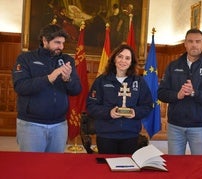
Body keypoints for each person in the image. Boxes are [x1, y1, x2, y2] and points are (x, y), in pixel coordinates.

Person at [12, 24, 82, 153]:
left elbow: (76, 90)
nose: (61, 47)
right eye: (57, 42)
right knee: (32, 167)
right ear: (44, 40)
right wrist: (49, 78)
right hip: (31, 124)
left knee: (54, 168)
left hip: (60, 125)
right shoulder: (25, 58)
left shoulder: (67, 60)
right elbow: (20, 87)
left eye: (62, 43)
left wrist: (67, 79)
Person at [157, 29, 202, 155]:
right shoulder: (173, 66)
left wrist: (194, 93)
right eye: (190, 41)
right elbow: (161, 93)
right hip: (175, 126)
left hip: (199, 126)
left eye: (198, 41)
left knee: (199, 167)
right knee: (176, 167)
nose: (194, 45)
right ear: (185, 44)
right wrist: (177, 95)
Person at [87, 44, 153, 154]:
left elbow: (147, 105)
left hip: (130, 134)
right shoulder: (101, 81)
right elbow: (91, 106)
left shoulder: (139, 81)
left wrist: (134, 112)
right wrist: (109, 112)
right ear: (114, 59)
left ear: (132, 62)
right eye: (120, 56)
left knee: (127, 168)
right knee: (106, 168)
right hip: (106, 134)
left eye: (127, 58)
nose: (123, 61)